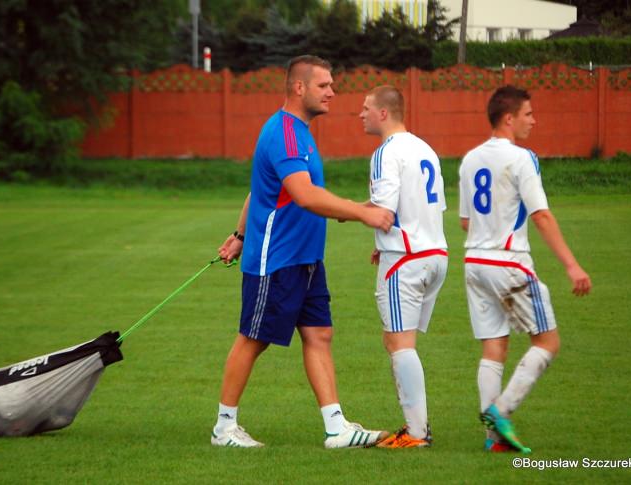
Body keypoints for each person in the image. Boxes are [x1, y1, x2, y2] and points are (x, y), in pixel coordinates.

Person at [211, 55, 395, 448]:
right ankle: (224, 428)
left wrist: (238, 234)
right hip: (277, 259)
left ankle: (336, 428)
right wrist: (362, 213)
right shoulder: (285, 132)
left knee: (319, 334)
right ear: (299, 88)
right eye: (324, 85)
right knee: (252, 338)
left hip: (306, 258)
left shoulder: (300, 132)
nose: (333, 91)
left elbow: (261, 189)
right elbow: (305, 195)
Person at [458, 85, 592, 453]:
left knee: (494, 347)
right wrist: (572, 265)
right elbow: (542, 215)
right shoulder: (522, 158)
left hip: (474, 265)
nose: (534, 120)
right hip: (509, 264)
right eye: (528, 114)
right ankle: (501, 412)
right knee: (547, 341)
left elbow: (466, 222)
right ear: (508, 118)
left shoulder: (469, 159)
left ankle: (493, 439)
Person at [358, 85, 448, 449]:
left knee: (399, 342)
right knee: (397, 339)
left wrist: (344, 211)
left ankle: (415, 433)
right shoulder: (424, 148)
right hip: (435, 254)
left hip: (406, 260)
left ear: (383, 113)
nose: (360, 114)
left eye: (365, 108)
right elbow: (426, 206)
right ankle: (416, 429)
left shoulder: (385, 153)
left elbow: (384, 213)